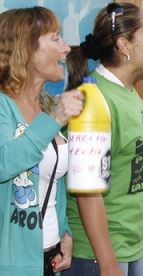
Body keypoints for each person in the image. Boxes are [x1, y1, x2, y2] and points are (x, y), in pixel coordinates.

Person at [63, 3, 143, 276]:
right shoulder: (93, 99)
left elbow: (115, 155)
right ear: (125, 45)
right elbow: (87, 191)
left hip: (129, 246)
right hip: (99, 254)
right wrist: (108, 264)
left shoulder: (126, 91)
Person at [0, 6, 84, 276]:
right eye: (55, 38)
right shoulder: (3, 105)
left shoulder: (47, 105)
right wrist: (55, 120)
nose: (66, 48)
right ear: (27, 48)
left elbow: (52, 184)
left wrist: (65, 234)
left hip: (50, 259)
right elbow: (3, 163)